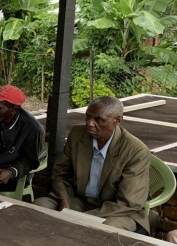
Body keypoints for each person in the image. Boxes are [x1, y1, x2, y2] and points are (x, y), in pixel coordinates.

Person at [34, 96, 151, 234]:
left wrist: (83, 218)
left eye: (99, 120)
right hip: (80, 201)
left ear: (117, 120)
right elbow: (60, 172)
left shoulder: (136, 151)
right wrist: (64, 199)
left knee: (100, 230)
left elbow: (129, 202)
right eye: (87, 117)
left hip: (118, 211)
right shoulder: (77, 134)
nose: (89, 123)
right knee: (39, 208)